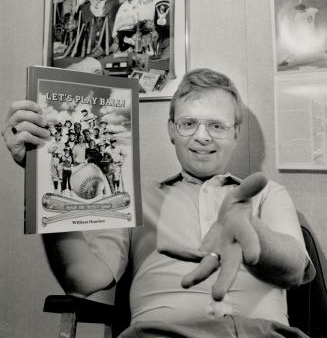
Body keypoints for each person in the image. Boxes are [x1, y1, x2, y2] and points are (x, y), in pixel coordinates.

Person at [2, 68, 314, 338]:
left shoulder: (268, 192)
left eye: (217, 126)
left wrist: (248, 228)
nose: (202, 136)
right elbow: (83, 278)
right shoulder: (129, 197)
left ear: (235, 133)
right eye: (188, 123)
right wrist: (40, 176)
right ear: (171, 130)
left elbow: (294, 270)